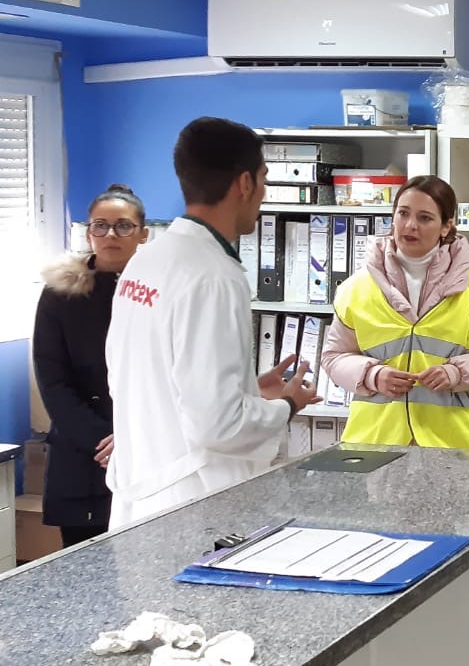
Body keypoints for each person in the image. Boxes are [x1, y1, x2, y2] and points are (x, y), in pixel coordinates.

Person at [105, 118, 320, 528]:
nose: (263, 193)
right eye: (264, 178)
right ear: (245, 183)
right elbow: (218, 425)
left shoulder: (146, 261)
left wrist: (248, 391)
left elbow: (133, 378)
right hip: (194, 504)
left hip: (142, 491)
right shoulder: (214, 276)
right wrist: (285, 405)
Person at [322, 175, 469, 446]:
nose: (410, 225)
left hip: (453, 444)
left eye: (425, 218)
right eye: (403, 213)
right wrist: (372, 375)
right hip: (376, 441)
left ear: (446, 227)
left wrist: (455, 373)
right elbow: (334, 357)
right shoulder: (356, 288)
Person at [31, 185, 149, 546]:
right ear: (88, 233)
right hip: (84, 453)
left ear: (143, 234)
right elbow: (53, 381)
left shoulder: (161, 291)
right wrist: (104, 440)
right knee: (84, 567)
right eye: (101, 225)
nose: (111, 235)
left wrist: (132, 438)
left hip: (148, 448)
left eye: (123, 226)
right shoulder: (60, 294)